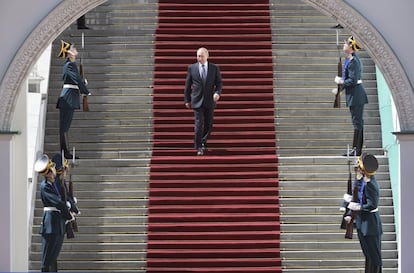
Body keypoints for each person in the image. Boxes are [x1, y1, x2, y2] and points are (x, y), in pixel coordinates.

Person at [34, 154, 74, 272]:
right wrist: (69, 215)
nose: (51, 174)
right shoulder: (45, 186)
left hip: (58, 225)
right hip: (50, 225)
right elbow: (58, 203)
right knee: (47, 260)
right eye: (49, 173)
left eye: (51, 171)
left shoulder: (54, 185)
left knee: (53, 257)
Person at [347, 153, 383, 273]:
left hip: (370, 225)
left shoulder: (371, 183)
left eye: (359, 165)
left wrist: (358, 207)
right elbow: (357, 195)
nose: (357, 167)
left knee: (374, 257)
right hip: (363, 224)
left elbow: (372, 204)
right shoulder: (363, 181)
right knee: (368, 255)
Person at [184, 47, 223, 156]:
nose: (199, 58)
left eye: (201, 56)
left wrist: (217, 93)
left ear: (207, 56)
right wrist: (187, 99)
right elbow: (187, 85)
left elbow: (219, 83)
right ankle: (198, 146)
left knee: (208, 124)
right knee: (199, 123)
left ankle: (203, 141)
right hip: (197, 100)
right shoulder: (192, 68)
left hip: (209, 100)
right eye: (197, 56)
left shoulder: (214, 68)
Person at [56, 40, 90, 159]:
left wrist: (82, 83)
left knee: (65, 127)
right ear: (69, 53)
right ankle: (65, 153)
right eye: (73, 49)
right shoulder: (69, 65)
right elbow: (76, 79)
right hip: (68, 98)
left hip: (69, 97)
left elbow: (76, 79)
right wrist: (85, 90)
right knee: (64, 127)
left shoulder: (70, 65)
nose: (75, 50)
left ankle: (65, 152)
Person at [335, 36, 368, 156]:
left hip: (356, 95)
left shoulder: (354, 61)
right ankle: (356, 149)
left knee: (357, 122)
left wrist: (341, 82)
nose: (344, 45)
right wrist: (340, 89)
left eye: (346, 43)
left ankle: (357, 150)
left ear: (351, 47)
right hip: (354, 94)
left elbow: (352, 80)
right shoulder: (350, 60)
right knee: (357, 121)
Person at [51, 153, 80, 240]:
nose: (66, 172)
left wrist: (73, 205)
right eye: (65, 170)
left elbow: (67, 194)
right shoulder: (57, 182)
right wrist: (72, 208)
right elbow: (63, 197)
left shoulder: (61, 181)